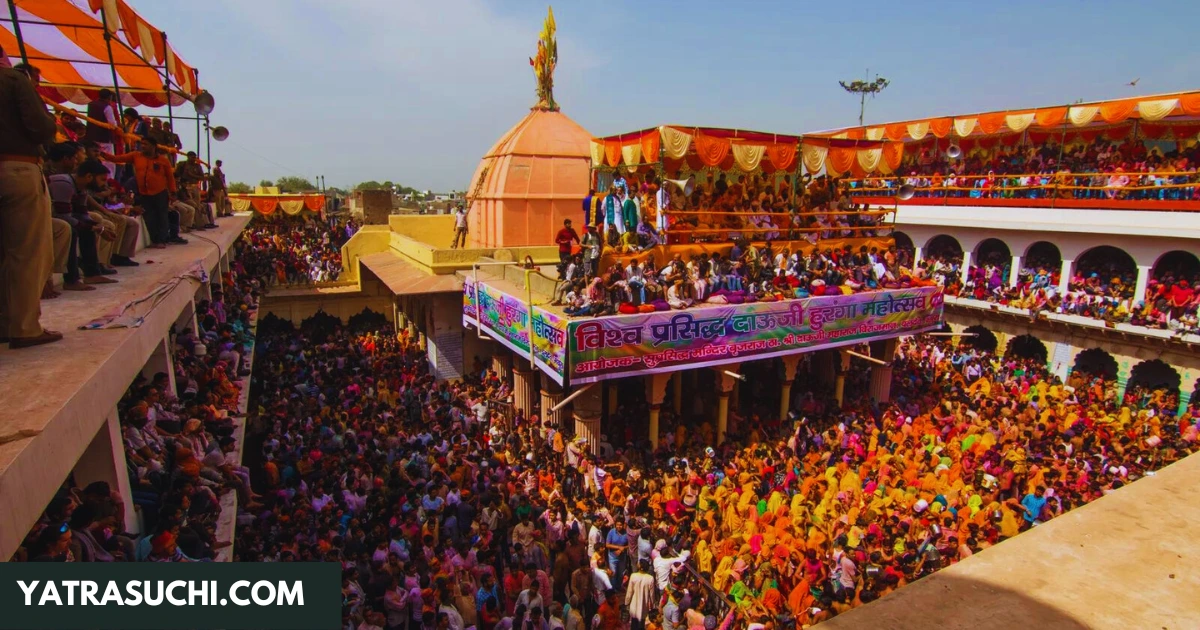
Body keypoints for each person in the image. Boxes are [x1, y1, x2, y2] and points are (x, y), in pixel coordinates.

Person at [0, 60, 63, 348]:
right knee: (27, 252)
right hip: (17, 169)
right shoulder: (13, 80)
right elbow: (40, 128)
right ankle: (23, 327)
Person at [104, 140, 181, 247]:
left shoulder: (163, 160)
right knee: (149, 217)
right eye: (142, 144)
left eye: (146, 144)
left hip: (160, 193)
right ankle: (155, 240)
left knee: (162, 216)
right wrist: (103, 155)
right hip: (144, 193)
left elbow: (170, 177)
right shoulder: (136, 156)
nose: (143, 146)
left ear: (154, 146)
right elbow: (118, 158)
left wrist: (173, 191)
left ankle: (162, 240)